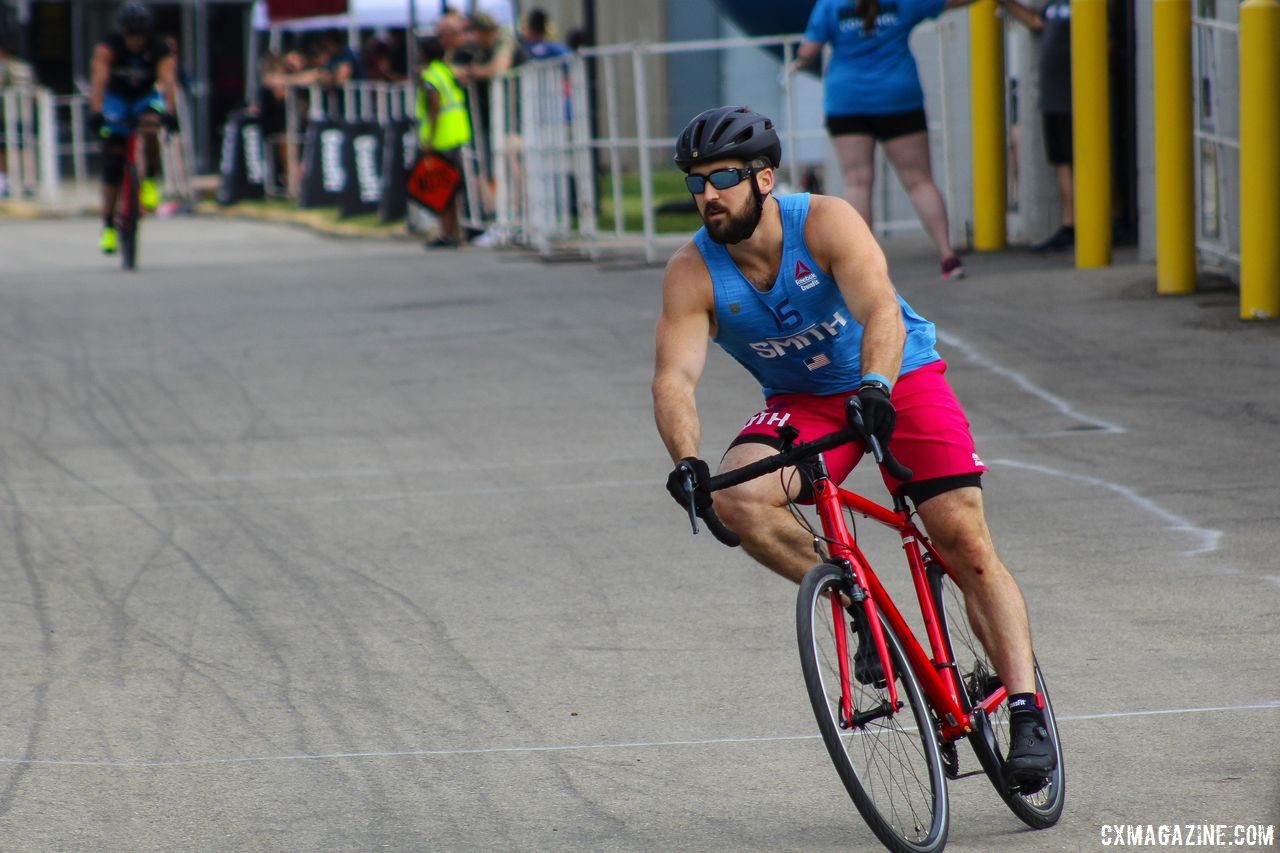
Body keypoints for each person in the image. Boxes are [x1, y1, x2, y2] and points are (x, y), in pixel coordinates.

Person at [652, 106, 1057, 787]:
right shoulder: (693, 269)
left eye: (723, 177)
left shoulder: (826, 221)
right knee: (739, 500)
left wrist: (876, 385)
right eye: (697, 183)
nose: (709, 195)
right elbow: (675, 378)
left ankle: (1026, 709)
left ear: (765, 178)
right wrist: (686, 461)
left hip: (896, 373)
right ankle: (858, 607)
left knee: (961, 535)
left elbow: (882, 311)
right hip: (802, 402)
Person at [791, 0, 980, 281]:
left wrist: (798, 62)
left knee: (857, 182)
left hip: (847, 100)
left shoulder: (830, 4)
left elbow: (809, 51)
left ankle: (862, 265)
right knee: (919, 181)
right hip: (899, 98)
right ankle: (947, 256)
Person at [87, 2, 178, 254]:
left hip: (143, 98)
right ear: (122, 33)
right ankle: (108, 226)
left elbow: (168, 80)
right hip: (116, 99)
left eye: (140, 36)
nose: (136, 41)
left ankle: (149, 178)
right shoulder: (109, 46)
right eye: (131, 35)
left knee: (151, 127)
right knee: (113, 163)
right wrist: (95, 112)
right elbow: (99, 79)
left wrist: (171, 112)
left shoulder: (159, 47)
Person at [1003, 0, 1074, 253]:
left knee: (1087, 160)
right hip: (1054, 97)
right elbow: (1034, 20)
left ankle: (1106, 220)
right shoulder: (1053, 5)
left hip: (1078, 97)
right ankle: (1070, 224)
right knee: (1062, 161)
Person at [416, 35, 472, 248]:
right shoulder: (445, 70)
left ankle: (447, 233)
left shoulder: (431, 75)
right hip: (456, 133)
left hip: (442, 138)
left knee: (443, 187)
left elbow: (434, 106)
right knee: (451, 186)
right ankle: (452, 232)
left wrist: (429, 138)